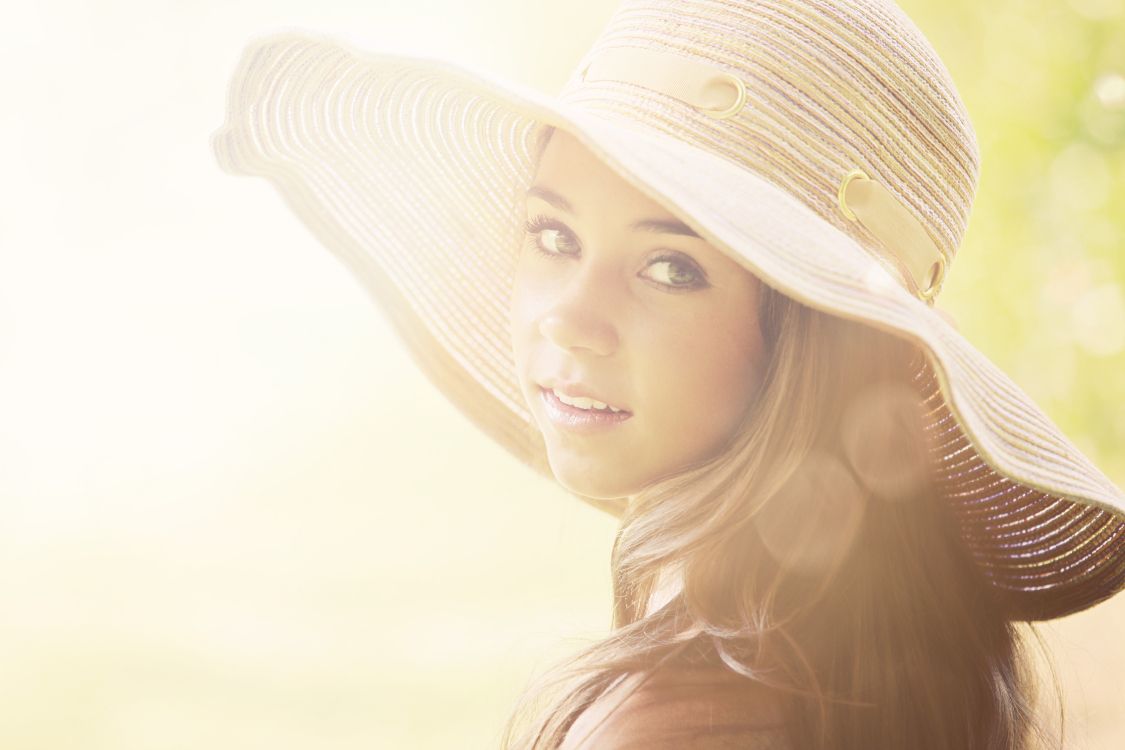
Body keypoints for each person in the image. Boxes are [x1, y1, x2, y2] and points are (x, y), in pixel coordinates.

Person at [211, 1, 1125, 748]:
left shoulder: (658, 723)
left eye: (671, 268)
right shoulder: (924, 667)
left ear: (814, 341)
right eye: (553, 235)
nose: (568, 314)